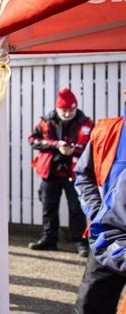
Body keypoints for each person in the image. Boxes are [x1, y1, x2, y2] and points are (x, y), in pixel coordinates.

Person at [58, 89, 126, 314]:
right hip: (106, 238)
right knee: (90, 311)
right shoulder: (106, 131)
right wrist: (97, 213)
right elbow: (83, 175)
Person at [28, 88, 93, 255]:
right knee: (48, 207)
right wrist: (56, 145)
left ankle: (81, 242)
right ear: (57, 109)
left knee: (77, 208)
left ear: (76, 107)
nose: (67, 114)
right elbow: (33, 140)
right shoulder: (45, 121)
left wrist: (74, 150)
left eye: (70, 110)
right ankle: (48, 240)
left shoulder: (86, 122)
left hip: (76, 172)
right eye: (63, 110)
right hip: (50, 172)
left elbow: (92, 144)